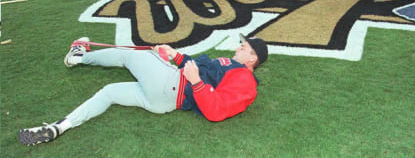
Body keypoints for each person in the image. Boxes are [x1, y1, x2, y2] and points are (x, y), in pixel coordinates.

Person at [18, 34, 268, 146]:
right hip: (164, 101)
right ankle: (58, 127)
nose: (239, 47)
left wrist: (196, 83)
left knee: (130, 54)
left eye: (244, 47)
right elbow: (201, 68)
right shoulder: (234, 67)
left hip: (172, 85)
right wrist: (176, 55)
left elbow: (216, 111)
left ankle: (78, 57)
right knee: (109, 92)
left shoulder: (245, 80)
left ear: (253, 58)